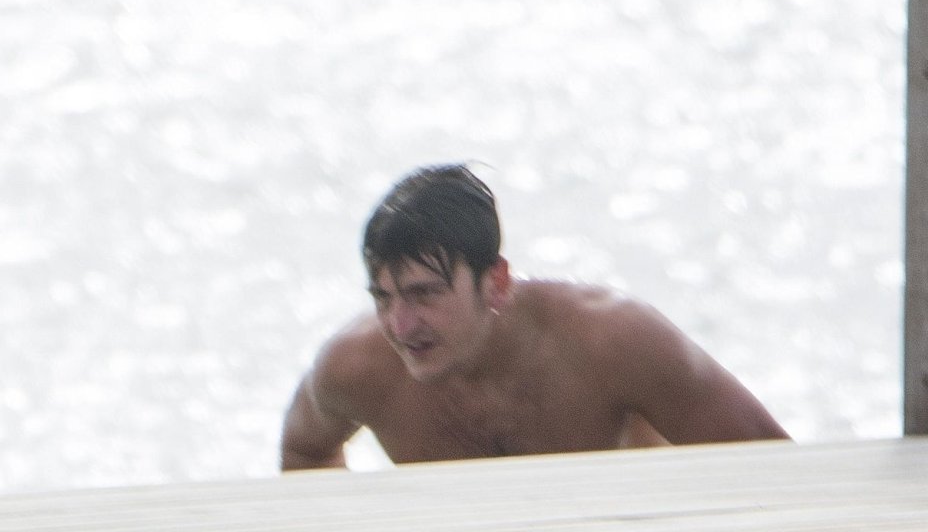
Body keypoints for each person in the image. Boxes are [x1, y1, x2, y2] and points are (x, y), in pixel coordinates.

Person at [278, 164, 786, 469]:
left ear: (495, 283)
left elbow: (773, 464)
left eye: (424, 294)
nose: (401, 327)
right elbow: (305, 454)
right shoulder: (354, 369)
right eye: (383, 298)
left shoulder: (610, 341)